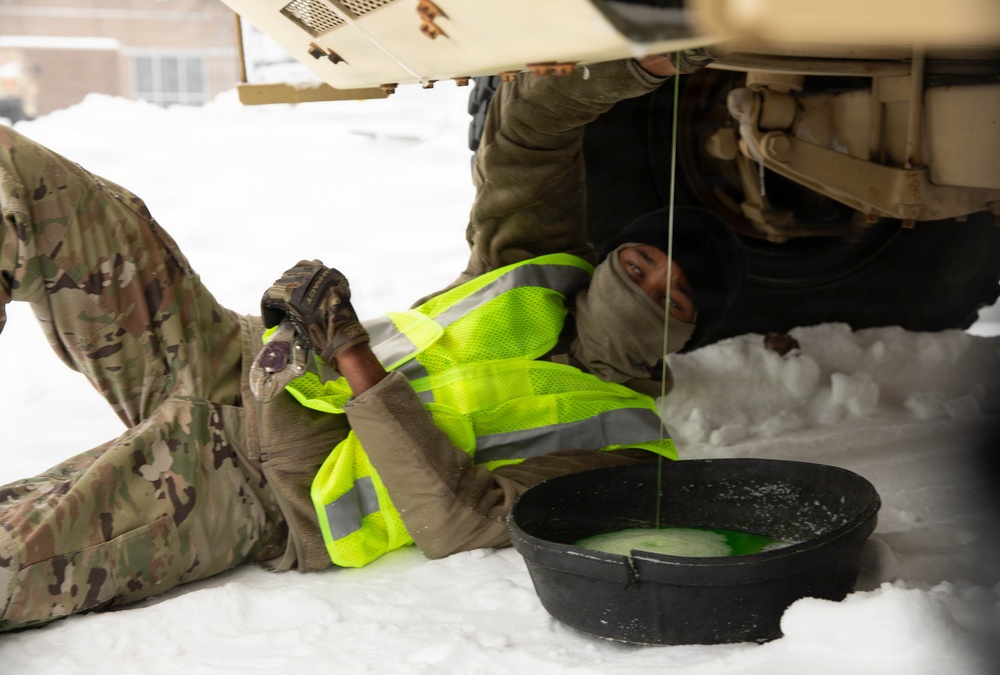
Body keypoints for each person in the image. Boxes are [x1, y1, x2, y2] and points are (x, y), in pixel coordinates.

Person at [0, 53, 744, 630]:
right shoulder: (536, 270)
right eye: (638, 264)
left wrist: (351, 353)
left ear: (686, 333)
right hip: (232, 357)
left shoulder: (623, 447)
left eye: (670, 297)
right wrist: (639, 64)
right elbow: (529, 135)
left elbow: (462, 522)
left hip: (253, 487)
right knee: (23, 180)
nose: (643, 289)